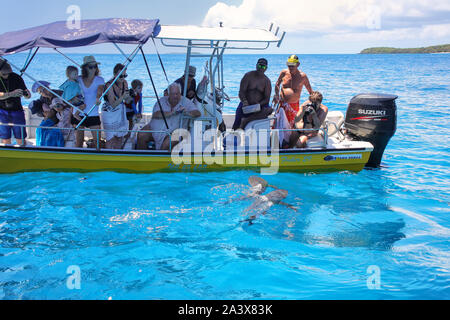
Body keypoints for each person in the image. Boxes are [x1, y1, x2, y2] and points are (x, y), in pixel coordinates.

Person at [137, 82, 201, 150]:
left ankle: (160, 160)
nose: (175, 96)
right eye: (173, 94)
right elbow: (156, 114)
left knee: (166, 145)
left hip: (176, 132)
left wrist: (187, 113)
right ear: (168, 94)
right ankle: (144, 158)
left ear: (180, 93)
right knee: (141, 135)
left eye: (177, 93)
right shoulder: (161, 101)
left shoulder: (186, 102)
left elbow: (197, 113)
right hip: (156, 130)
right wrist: (171, 113)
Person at [71, 56, 105, 148]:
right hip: (78, 114)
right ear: (85, 68)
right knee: (79, 142)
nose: (93, 69)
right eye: (91, 67)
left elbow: (100, 90)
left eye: (95, 67)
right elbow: (69, 92)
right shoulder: (77, 79)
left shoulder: (99, 79)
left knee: (98, 142)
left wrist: (98, 98)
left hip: (93, 113)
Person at [232, 58, 273, 130]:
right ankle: (234, 133)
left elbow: (267, 99)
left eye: (263, 67)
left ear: (266, 68)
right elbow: (241, 92)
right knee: (237, 118)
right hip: (246, 104)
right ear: (256, 66)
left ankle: (246, 120)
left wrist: (258, 105)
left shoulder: (267, 81)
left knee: (269, 110)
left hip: (259, 105)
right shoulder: (248, 76)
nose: (261, 68)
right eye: (259, 66)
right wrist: (245, 101)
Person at [273, 55, 313, 128]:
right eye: (289, 65)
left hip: (294, 106)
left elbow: (310, 91)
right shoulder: (284, 73)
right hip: (282, 105)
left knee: (292, 127)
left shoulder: (303, 76)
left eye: (292, 66)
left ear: (298, 64)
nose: (290, 67)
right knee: (279, 126)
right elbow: (277, 84)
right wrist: (276, 95)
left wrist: (314, 103)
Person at [0, 59, 31, 145]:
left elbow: (27, 93)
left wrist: (27, 94)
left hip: (17, 111)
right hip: (2, 111)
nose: (6, 76)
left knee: (20, 137)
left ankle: (23, 154)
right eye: (4, 74)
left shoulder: (16, 77)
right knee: (5, 137)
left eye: (8, 73)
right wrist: (11, 94)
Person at [101, 64, 131, 149]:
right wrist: (123, 97)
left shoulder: (125, 83)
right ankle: (108, 157)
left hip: (120, 112)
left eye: (125, 75)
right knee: (110, 138)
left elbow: (127, 100)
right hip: (109, 112)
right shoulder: (109, 85)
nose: (123, 78)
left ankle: (117, 155)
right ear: (115, 74)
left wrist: (132, 95)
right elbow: (113, 104)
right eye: (121, 76)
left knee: (119, 137)